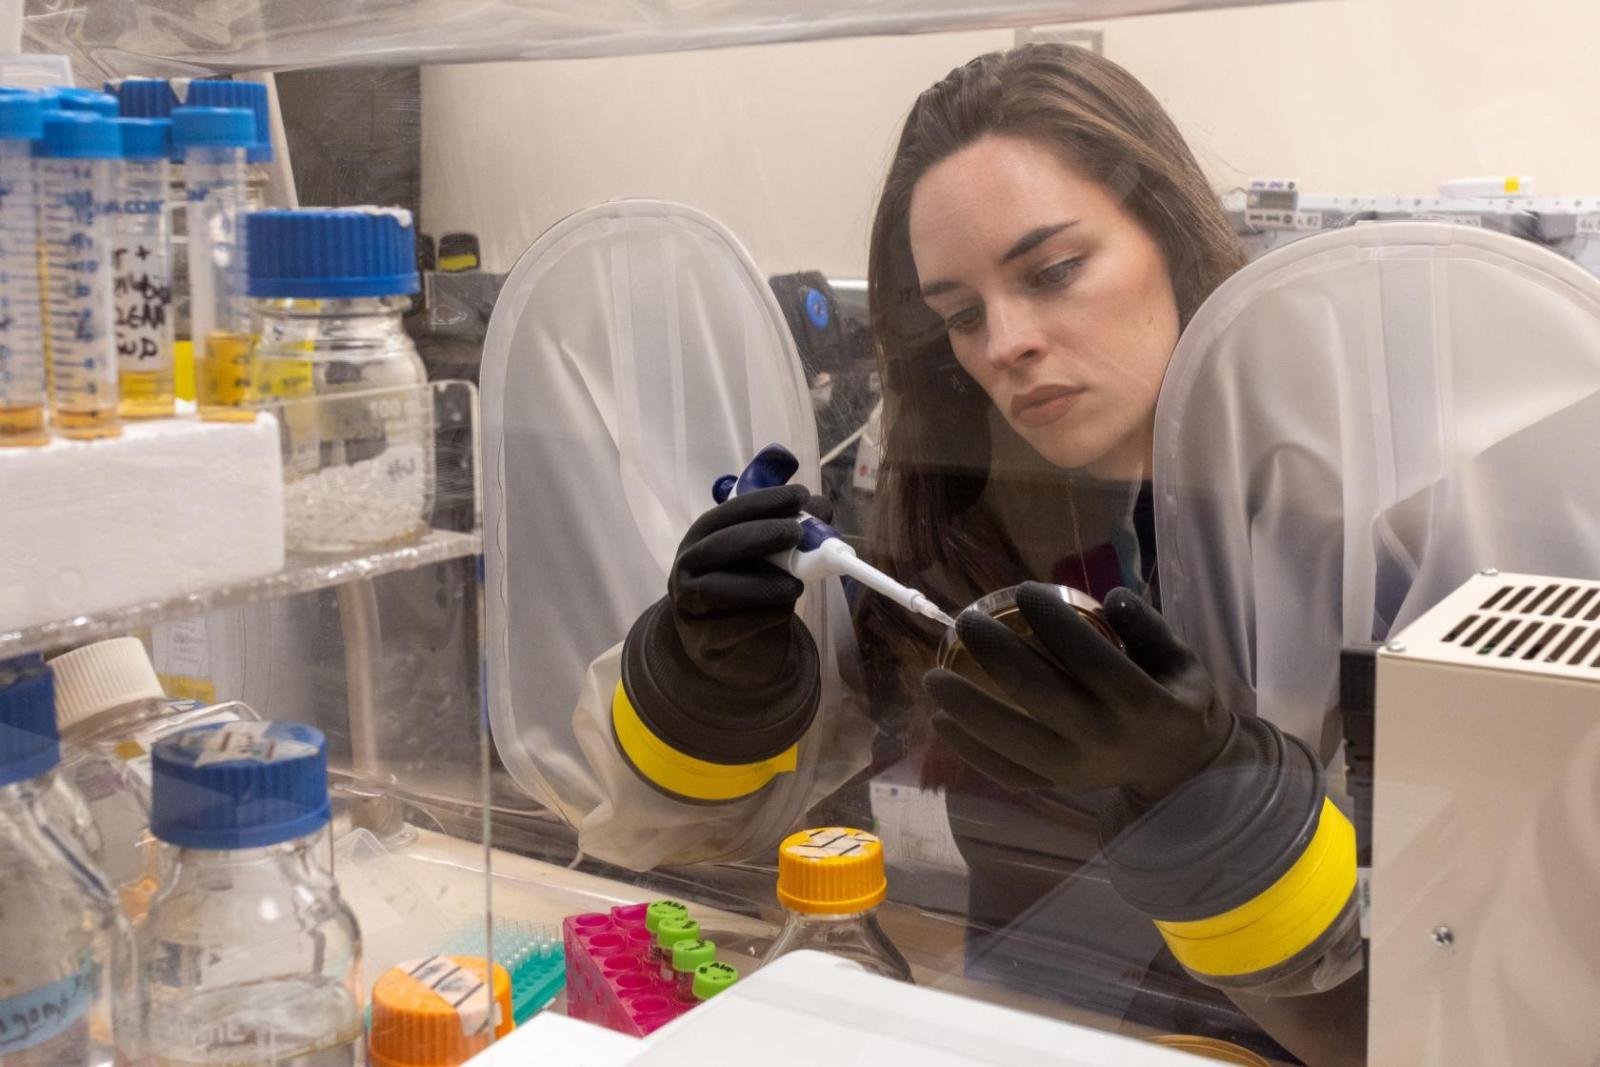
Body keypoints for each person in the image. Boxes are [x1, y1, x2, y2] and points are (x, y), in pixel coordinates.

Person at [581, 44, 1364, 1065]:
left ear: (1169, 239)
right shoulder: (966, 534)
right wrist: (702, 689)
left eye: (1052, 271)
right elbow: (663, 838)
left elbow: (1451, 990)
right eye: (958, 315)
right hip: (1012, 1029)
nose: (1005, 342)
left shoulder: (1346, 521)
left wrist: (1213, 794)